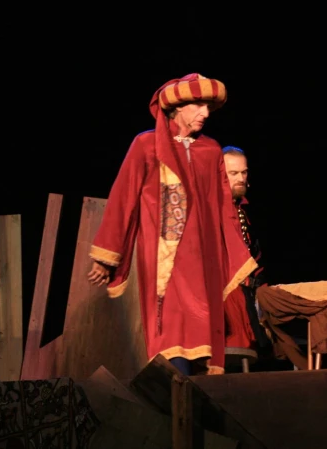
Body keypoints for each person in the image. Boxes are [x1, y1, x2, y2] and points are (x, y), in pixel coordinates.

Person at [87, 73, 258, 376]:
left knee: (205, 326)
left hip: (202, 257)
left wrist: (235, 255)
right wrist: (106, 256)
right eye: (198, 106)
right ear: (178, 107)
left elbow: (223, 207)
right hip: (164, 257)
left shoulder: (210, 150)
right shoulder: (147, 144)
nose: (205, 114)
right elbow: (123, 199)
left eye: (208, 107)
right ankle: (176, 394)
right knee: (171, 327)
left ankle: (195, 403)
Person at [221, 145, 275, 364]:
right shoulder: (211, 209)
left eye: (244, 172)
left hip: (250, 295)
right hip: (226, 299)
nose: (241, 178)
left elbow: (256, 257)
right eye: (233, 173)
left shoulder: (242, 210)